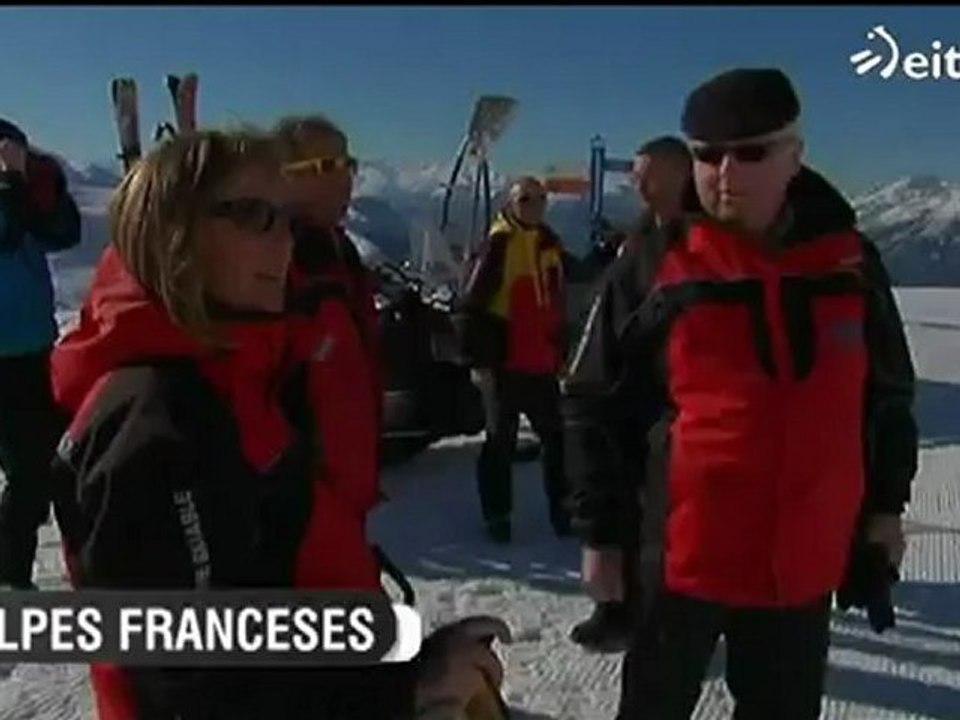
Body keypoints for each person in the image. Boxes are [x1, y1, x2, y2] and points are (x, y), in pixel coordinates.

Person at [49, 129, 508, 719]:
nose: (285, 241)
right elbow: (195, 682)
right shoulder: (153, 418)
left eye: (287, 220)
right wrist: (406, 689)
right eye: (254, 216)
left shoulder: (235, 371)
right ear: (173, 234)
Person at [562, 67, 918, 719]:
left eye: (751, 153)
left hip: (801, 562)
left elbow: (888, 394)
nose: (725, 173)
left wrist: (885, 510)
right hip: (682, 558)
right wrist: (601, 536)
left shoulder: (849, 262)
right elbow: (592, 400)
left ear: (794, 156)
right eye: (707, 155)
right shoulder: (656, 262)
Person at [568, 135, 695, 653]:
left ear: (682, 174)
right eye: (636, 175)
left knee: (665, 527)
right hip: (627, 399)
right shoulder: (641, 242)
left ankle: (667, 623)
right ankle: (622, 609)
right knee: (624, 514)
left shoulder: (699, 242)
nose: (639, 185)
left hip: (676, 408)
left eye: (650, 175)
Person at [273, 114, 385, 592]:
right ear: (287, 175)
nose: (347, 178)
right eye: (328, 165)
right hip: (296, 505)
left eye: (348, 163)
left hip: (343, 494)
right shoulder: (269, 260)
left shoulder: (337, 252)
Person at [458, 176, 571, 543]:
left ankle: (564, 511)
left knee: (557, 439)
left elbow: (559, 296)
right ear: (510, 203)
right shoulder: (499, 243)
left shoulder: (548, 241)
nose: (534, 206)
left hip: (540, 361)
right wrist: (480, 362)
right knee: (500, 443)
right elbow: (470, 306)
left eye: (540, 199)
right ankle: (498, 517)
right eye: (525, 199)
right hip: (505, 364)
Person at [0, 118, 81, 589]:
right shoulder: (16, 196)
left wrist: (30, 185)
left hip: (32, 353)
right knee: (29, 470)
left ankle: (14, 573)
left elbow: (64, 232)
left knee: (39, 468)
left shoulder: (32, 191)